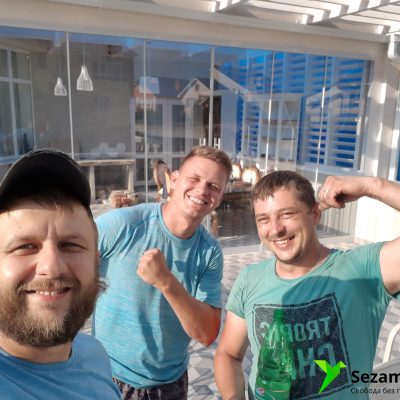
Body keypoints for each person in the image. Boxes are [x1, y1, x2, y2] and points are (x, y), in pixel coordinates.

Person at [214, 170, 400, 400]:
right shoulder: (249, 279)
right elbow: (229, 353)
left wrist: (372, 185)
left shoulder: (362, 270)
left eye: (287, 214)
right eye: (263, 219)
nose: (275, 229)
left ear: (315, 214)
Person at [94, 145, 232, 399]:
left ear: (220, 197)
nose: (202, 190)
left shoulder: (210, 252)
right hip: (108, 378)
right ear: (174, 180)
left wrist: (166, 282)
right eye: (194, 178)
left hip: (170, 384)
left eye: (213, 186)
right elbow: (68, 262)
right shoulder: (124, 225)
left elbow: (206, 333)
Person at [0, 149, 121, 399]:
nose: (52, 267)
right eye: (25, 246)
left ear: (96, 261)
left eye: (70, 245)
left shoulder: (94, 353)